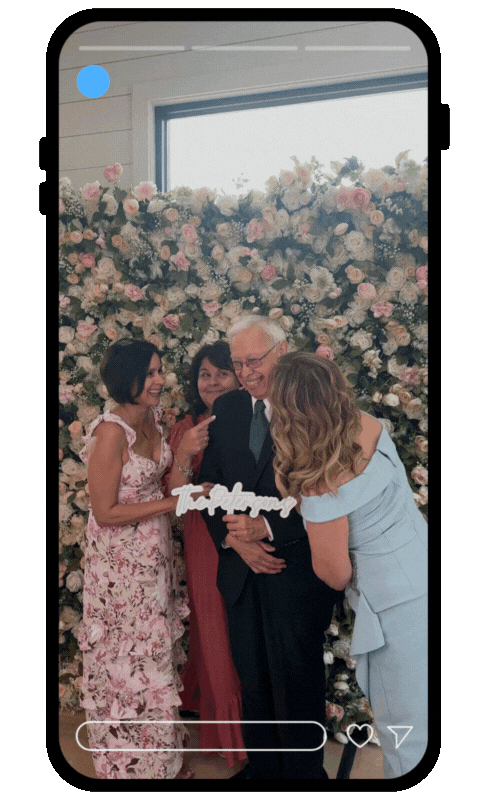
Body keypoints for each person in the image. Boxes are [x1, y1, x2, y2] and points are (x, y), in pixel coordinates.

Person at [266, 351, 428, 779]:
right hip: (427, 568)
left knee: (406, 731)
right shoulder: (367, 422)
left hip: (393, 605)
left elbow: (333, 573)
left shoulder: (321, 480)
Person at [198, 316, 341, 780]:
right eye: (238, 363)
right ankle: (261, 774)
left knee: (297, 681)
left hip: (294, 569)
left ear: (282, 351)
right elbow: (210, 487)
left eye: (253, 360)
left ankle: (303, 779)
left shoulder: (313, 406)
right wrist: (235, 540)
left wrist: (268, 529)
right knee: (254, 679)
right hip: (241, 572)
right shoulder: (231, 409)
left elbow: (330, 487)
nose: (245, 372)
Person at [78, 339, 193, 780]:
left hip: (156, 560)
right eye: (149, 374)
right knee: (125, 664)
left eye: (160, 370)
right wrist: (171, 503)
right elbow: (104, 512)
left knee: (156, 655)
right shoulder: (110, 432)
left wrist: (181, 457)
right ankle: (129, 771)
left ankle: (163, 763)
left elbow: (169, 481)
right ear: (124, 381)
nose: (159, 380)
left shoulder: (154, 420)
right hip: (119, 568)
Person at [163, 342, 246, 768]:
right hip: (204, 540)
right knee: (215, 632)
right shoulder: (187, 425)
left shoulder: (256, 417)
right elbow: (173, 497)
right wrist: (184, 453)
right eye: (204, 374)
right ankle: (230, 741)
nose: (212, 382)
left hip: (253, 531)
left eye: (221, 373)